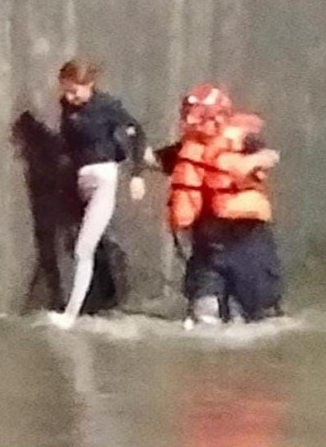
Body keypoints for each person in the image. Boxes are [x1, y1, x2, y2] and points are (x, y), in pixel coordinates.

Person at [152, 84, 284, 329]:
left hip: (248, 242)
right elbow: (151, 159)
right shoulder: (186, 149)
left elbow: (271, 155)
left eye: (199, 116)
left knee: (252, 317)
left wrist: (251, 162)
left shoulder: (243, 140)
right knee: (204, 314)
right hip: (208, 248)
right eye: (189, 116)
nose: (192, 122)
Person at [47, 59, 147, 330]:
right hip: (80, 179)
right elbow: (69, 143)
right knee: (74, 244)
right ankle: (98, 300)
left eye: (75, 91)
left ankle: (70, 316)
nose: (70, 97)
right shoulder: (68, 107)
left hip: (104, 177)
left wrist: (137, 174)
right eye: (66, 90)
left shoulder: (107, 105)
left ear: (90, 84)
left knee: (84, 248)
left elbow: (137, 133)